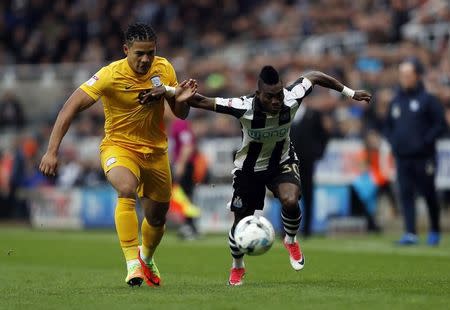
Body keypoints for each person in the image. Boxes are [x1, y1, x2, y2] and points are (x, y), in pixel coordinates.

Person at [183, 66, 371, 285]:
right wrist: (171, 92)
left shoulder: (292, 97)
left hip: (281, 162)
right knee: (240, 222)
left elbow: (316, 76)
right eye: (269, 96)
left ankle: (290, 239)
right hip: (248, 171)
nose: (275, 101)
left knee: (291, 200)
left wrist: (350, 93)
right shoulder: (243, 106)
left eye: (278, 95)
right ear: (258, 94)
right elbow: (202, 101)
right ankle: (237, 266)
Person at [39, 23, 195, 287]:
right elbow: (70, 107)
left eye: (150, 53)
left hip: (156, 152)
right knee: (126, 188)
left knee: (157, 217)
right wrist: (52, 151)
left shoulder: (164, 68)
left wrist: (182, 98)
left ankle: (146, 257)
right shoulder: (109, 75)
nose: (146, 59)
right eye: (139, 54)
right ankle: (132, 263)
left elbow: (180, 113)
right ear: (126, 50)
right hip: (119, 147)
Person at [384, 58, 446, 246]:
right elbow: (387, 126)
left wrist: (425, 141)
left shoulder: (428, 100)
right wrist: (394, 141)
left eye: (408, 75)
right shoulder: (396, 101)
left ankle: (434, 229)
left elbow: (440, 125)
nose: (404, 79)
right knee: (406, 194)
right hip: (403, 157)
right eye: (402, 75)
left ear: (417, 76)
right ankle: (410, 232)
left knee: (428, 193)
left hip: (424, 157)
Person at [290, 106, 330, 237]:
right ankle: (287, 229)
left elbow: (323, 135)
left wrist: (318, 153)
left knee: (307, 195)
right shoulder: (284, 113)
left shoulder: (313, 114)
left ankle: (307, 229)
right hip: (288, 161)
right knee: (288, 194)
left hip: (307, 162)